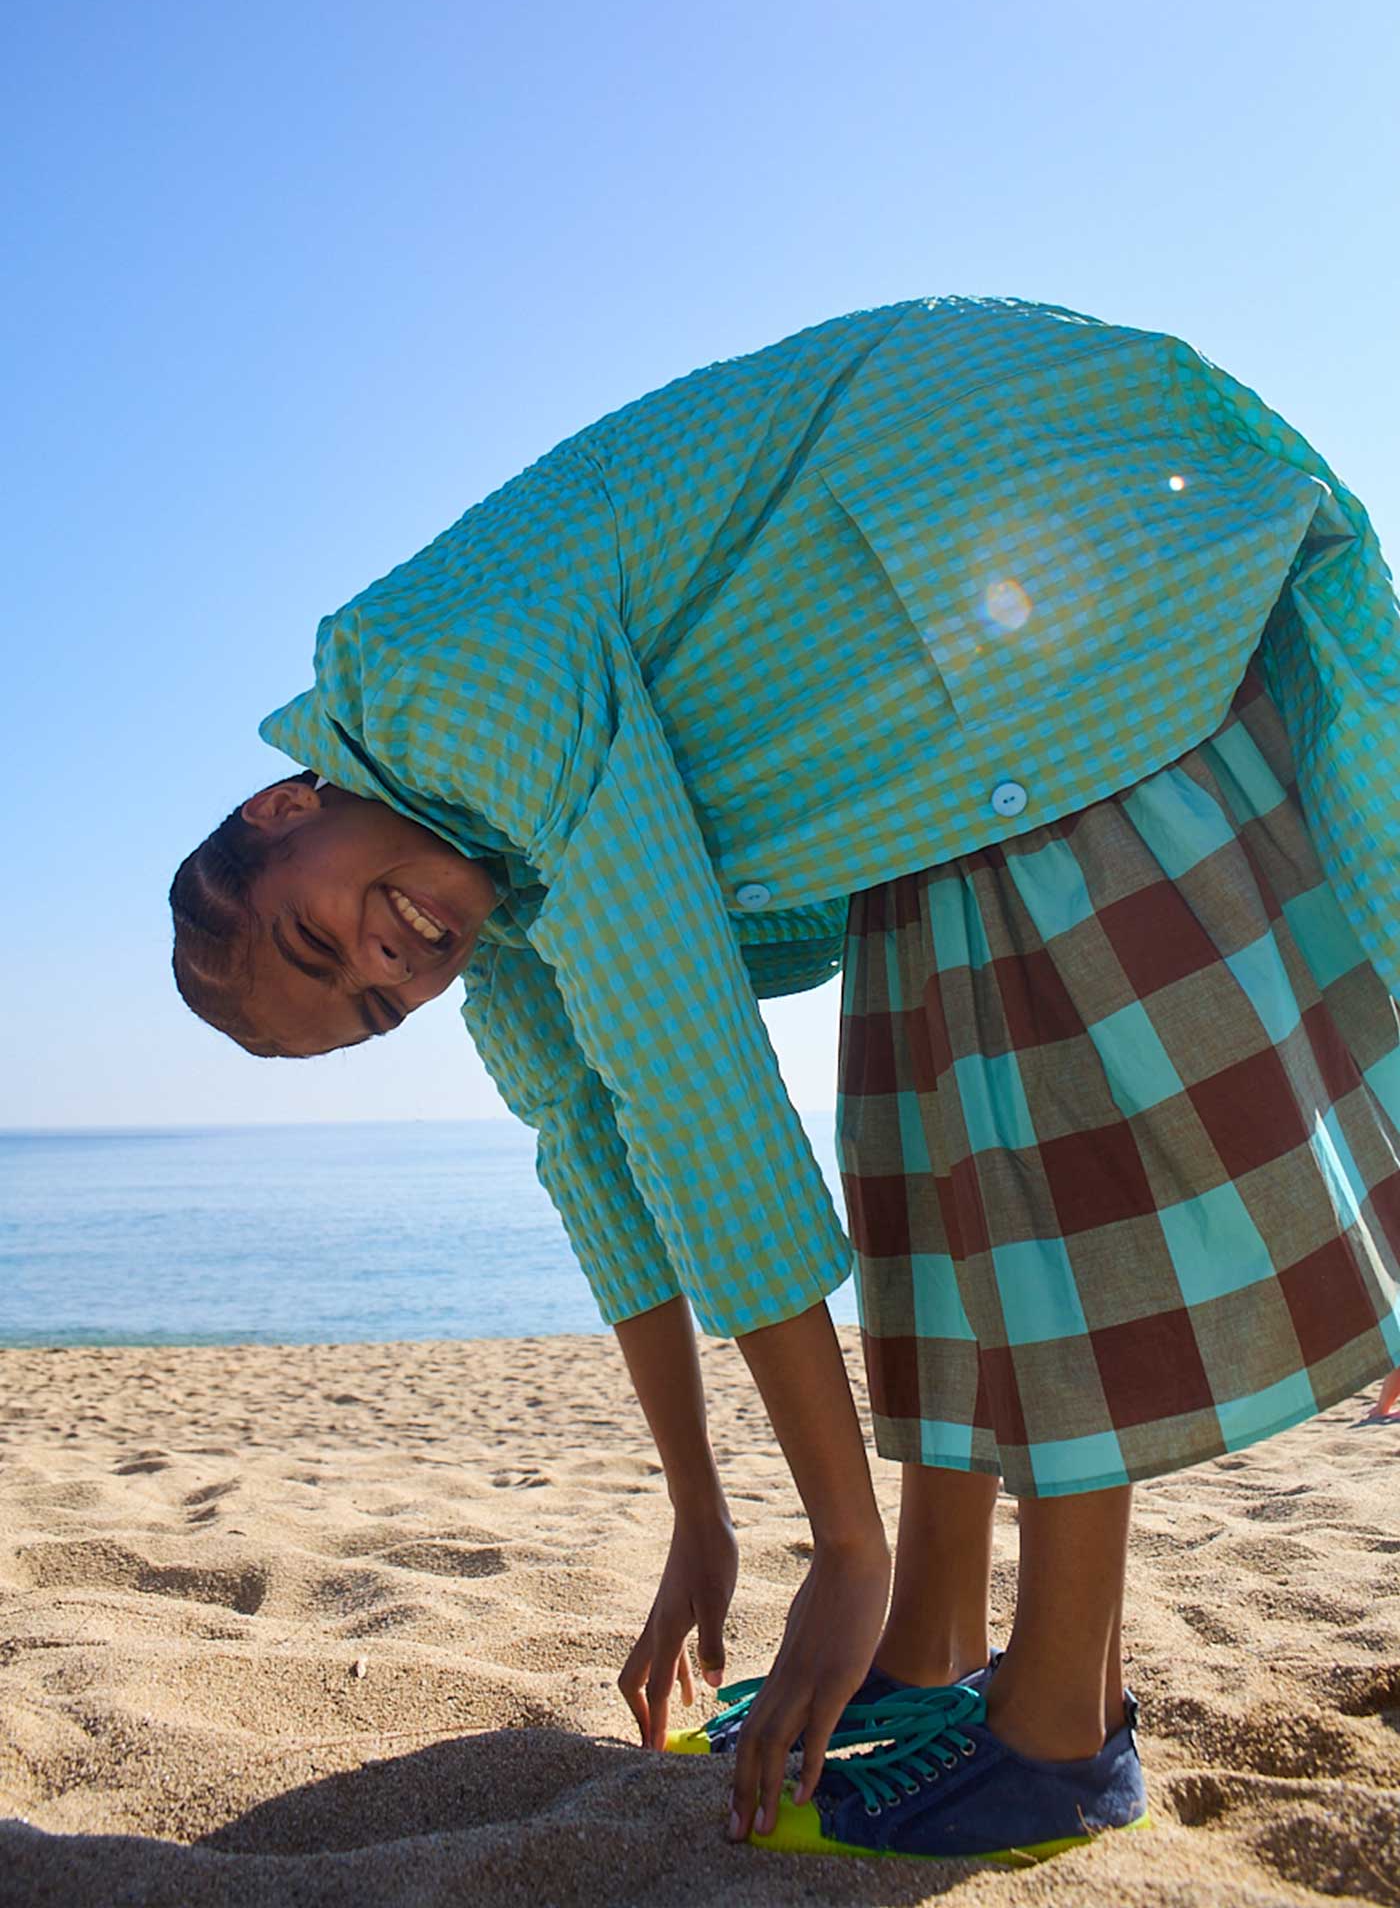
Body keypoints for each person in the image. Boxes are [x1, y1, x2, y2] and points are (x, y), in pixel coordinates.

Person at [170, 295, 1400, 1864]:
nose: (389, 963)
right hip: (915, 668)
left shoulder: (432, 694)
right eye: (370, 1005)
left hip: (1015, 526)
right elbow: (597, 1147)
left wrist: (840, 1540)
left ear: (286, 809)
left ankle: (1059, 1731)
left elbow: (697, 1083)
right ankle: (939, 1638)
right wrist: (704, 1511)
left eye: (319, 936)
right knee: (925, 1144)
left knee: (1029, 1143)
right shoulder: (477, 860)